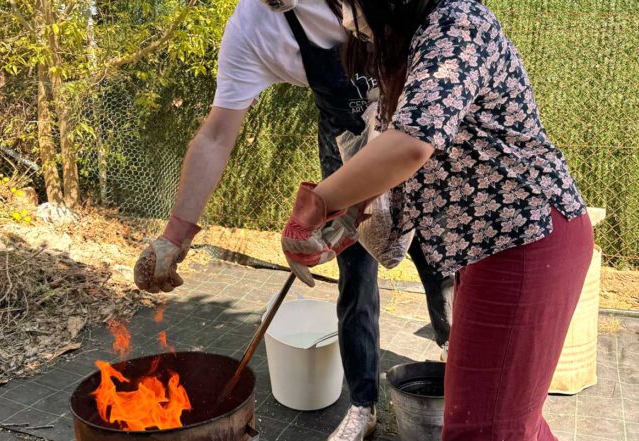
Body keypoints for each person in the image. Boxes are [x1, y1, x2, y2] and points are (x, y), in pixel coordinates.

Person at [133, 0, 453, 439]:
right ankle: (363, 406)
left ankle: (460, 367)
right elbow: (215, 134)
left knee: (444, 260)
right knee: (356, 276)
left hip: (422, 125)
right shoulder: (254, 30)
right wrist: (175, 234)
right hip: (350, 143)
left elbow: (442, 70)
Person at [281, 0, 593, 439]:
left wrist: (318, 203)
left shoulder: (458, 21)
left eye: (347, 4)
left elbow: (410, 145)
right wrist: (345, 221)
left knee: (484, 428)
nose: (346, 18)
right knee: (504, 421)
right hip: (490, 249)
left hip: (525, 240)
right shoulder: (415, 53)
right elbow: (390, 168)